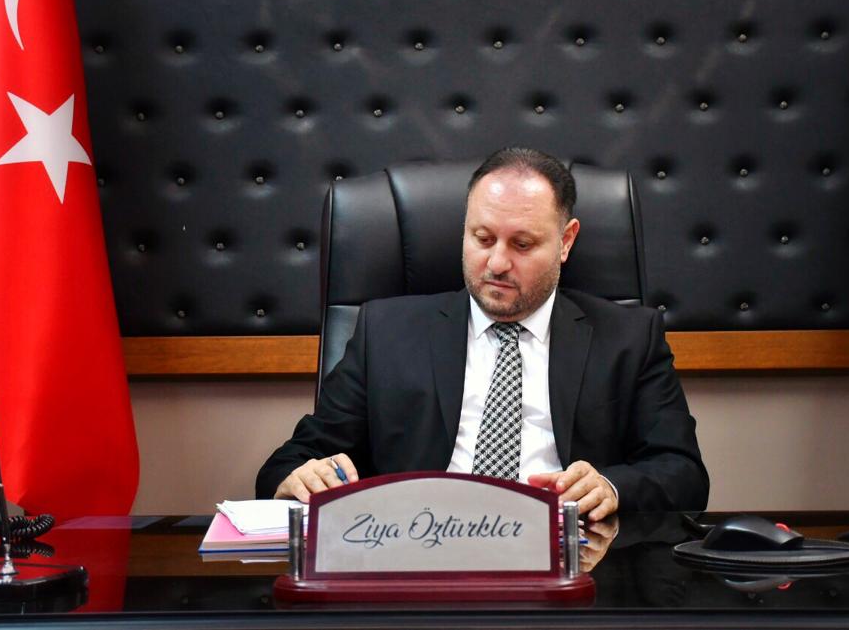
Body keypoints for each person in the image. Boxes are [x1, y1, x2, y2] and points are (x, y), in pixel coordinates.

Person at [256, 148, 708, 519]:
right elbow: (291, 462)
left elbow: (684, 474)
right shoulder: (385, 332)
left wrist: (610, 485)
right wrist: (298, 478)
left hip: (570, 563)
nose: (496, 263)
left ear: (566, 241)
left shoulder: (630, 337)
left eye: (522, 244)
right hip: (421, 556)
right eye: (482, 238)